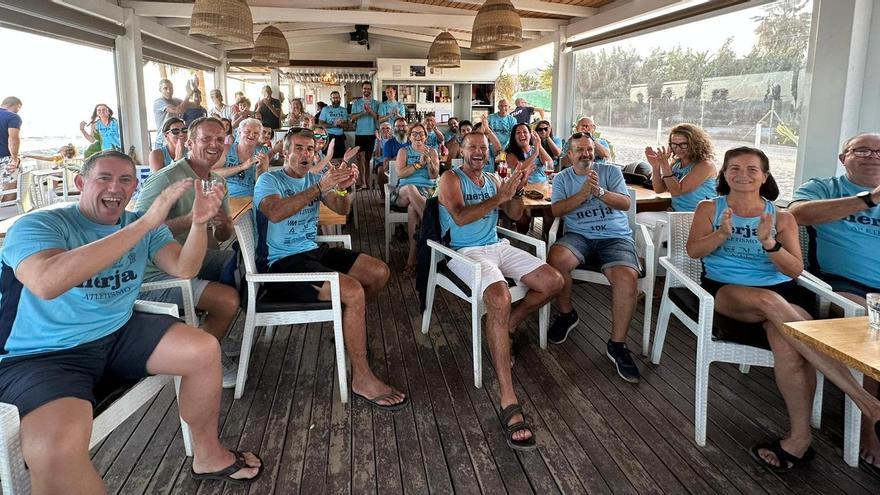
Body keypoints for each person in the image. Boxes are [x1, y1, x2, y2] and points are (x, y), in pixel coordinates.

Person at [0, 150, 263, 492]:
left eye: (125, 179)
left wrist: (198, 224)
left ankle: (208, 454)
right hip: (42, 355)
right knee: (54, 449)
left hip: (118, 331)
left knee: (202, 349)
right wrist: (144, 224)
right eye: (104, 178)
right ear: (80, 183)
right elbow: (47, 282)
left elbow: (184, 268)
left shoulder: (142, 226)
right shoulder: (41, 225)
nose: (115, 187)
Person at [685, 146, 880, 472]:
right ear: (724, 174)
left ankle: (799, 440)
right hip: (729, 293)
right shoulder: (709, 208)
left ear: (764, 176)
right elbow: (693, 251)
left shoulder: (782, 217)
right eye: (734, 168)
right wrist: (721, 233)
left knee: (791, 344)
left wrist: (769, 244)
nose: (742, 174)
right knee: (771, 304)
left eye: (751, 169)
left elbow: (793, 270)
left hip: (783, 291)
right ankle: (864, 399)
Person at [253, 128, 407, 410]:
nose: (305, 154)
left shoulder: (314, 178)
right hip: (280, 265)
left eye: (311, 149)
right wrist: (319, 188)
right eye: (298, 148)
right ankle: (361, 377)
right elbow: (275, 212)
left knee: (379, 272)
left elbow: (342, 208)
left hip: (313, 252)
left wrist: (347, 186)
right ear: (285, 152)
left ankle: (348, 326)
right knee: (351, 290)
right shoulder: (269, 179)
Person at [438, 131, 563, 450]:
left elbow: (516, 215)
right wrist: (498, 196)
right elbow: (461, 218)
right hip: (465, 252)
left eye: (483, 147)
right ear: (462, 151)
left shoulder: (494, 177)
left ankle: (508, 324)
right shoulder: (450, 179)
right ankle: (508, 398)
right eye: (472, 147)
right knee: (499, 297)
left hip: (497, 246)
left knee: (553, 282)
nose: (479, 152)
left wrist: (515, 190)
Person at [789, 132, 880, 468]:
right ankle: (870, 427)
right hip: (845, 284)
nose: (873, 156)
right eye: (863, 150)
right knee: (869, 335)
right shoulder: (825, 187)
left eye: (879, 151)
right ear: (844, 158)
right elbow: (797, 213)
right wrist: (868, 199)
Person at [137, 117, 243, 388]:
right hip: (154, 274)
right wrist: (191, 219)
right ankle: (202, 357)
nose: (214, 145)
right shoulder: (167, 179)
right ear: (189, 143)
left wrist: (224, 223)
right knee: (228, 300)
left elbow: (221, 236)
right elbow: (140, 230)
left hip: (191, 260)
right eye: (206, 139)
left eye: (220, 139)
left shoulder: (217, 180)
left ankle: (211, 330)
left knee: (236, 266)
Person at [547, 133, 643, 383]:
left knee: (627, 278)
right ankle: (567, 314)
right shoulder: (562, 178)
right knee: (556, 260)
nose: (585, 154)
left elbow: (625, 203)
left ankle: (618, 344)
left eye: (589, 149)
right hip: (579, 235)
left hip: (615, 236)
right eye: (579, 150)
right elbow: (556, 210)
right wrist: (580, 195)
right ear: (569, 155)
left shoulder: (611, 172)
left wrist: (598, 191)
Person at [639, 123, 717, 229]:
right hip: (678, 215)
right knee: (639, 220)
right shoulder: (676, 164)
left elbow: (677, 190)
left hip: (698, 218)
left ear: (695, 144)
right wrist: (656, 166)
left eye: (683, 144)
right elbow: (659, 189)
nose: (678, 148)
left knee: (640, 220)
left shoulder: (705, 165)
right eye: (674, 144)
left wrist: (664, 164)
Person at [394, 123, 440, 275]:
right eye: (414, 134)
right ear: (409, 136)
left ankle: (411, 260)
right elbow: (400, 174)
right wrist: (419, 164)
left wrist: (429, 162)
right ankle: (433, 229)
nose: (418, 137)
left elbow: (434, 175)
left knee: (412, 209)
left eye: (421, 134)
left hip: (427, 191)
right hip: (404, 191)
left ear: (426, 136)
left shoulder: (432, 151)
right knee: (412, 188)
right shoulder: (403, 151)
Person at [505, 123, 553, 235]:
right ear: (514, 137)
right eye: (518, 132)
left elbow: (549, 164)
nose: (522, 134)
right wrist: (535, 154)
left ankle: (547, 242)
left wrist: (538, 146)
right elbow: (519, 169)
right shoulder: (510, 153)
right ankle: (524, 241)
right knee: (523, 218)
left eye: (525, 132)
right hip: (521, 189)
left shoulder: (536, 148)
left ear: (530, 135)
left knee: (550, 212)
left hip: (541, 189)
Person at [212, 118, 269, 197]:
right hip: (227, 198)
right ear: (239, 132)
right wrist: (242, 166)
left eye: (256, 133)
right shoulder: (225, 150)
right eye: (247, 131)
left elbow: (261, 185)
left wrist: (260, 169)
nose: (251, 135)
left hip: (251, 199)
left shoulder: (262, 154)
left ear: (259, 136)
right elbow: (212, 174)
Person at [350, 81, 380, 189]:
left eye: (368, 88)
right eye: (365, 88)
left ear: (371, 90)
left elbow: (378, 117)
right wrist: (363, 112)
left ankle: (368, 182)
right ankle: (362, 183)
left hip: (371, 134)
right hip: (360, 134)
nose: (366, 90)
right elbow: (352, 118)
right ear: (362, 90)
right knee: (360, 159)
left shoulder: (376, 103)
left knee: (368, 160)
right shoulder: (356, 103)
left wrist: (370, 111)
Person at [152, 79, 190, 150]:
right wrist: (188, 95)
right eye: (165, 88)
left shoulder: (176, 100)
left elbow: (194, 105)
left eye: (171, 88)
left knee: (177, 160)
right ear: (160, 90)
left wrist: (194, 90)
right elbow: (177, 110)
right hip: (162, 141)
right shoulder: (159, 102)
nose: (169, 91)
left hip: (174, 138)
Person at [1, 96, 23, 202]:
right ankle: (5, 217)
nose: (18, 111)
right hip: (4, 159)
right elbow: (13, 139)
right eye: (18, 108)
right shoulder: (12, 117)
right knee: (11, 193)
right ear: (11, 104)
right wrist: (14, 158)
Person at [318, 91, 349, 159]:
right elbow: (321, 124)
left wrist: (340, 124)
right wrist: (334, 125)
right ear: (331, 99)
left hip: (340, 137)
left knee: (340, 158)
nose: (336, 99)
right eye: (334, 98)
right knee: (327, 158)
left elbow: (347, 125)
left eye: (337, 98)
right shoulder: (325, 109)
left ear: (340, 98)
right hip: (329, 137)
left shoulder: (344, 110)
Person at [374, 122, 393, 192]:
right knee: (381, 171)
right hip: (381, 163)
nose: (385, 130)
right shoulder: (377, 140)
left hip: (393, 162)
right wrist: (379, 141)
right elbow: (377, 155)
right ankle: (383, 194)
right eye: (383, 128)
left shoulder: (395, 139)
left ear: (391, 130)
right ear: (380, 131)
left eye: (388, 128)